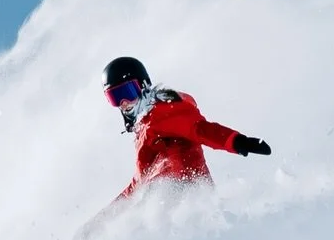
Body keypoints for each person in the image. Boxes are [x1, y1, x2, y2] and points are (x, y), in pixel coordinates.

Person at [101, 54, 271, 203]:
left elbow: (200, 129)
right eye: (115, 97)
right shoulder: (144, 128)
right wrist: (105, 219)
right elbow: (139, 183)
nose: (123, 102)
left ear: (143, 85)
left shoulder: (163, 112)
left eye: (127, 92)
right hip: (167, 200)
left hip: (182, 190)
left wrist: (236, 141)